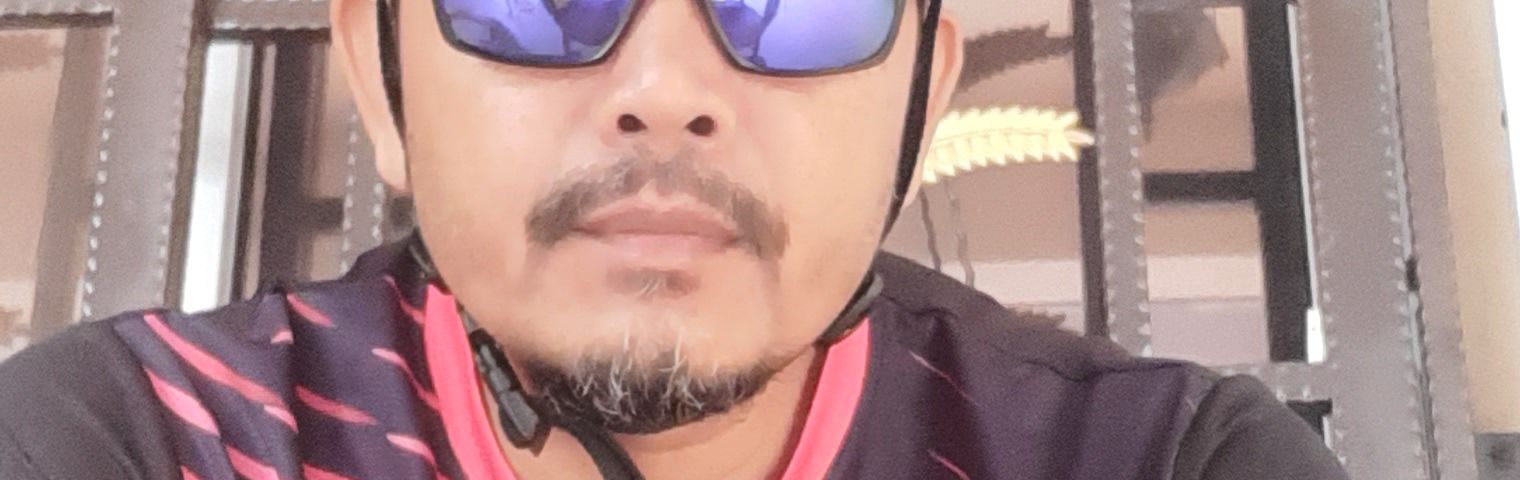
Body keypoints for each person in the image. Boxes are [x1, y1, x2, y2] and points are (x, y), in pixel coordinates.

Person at [0, 0, 1349, 478]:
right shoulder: (141, 441)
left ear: (920, 106)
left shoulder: (1159, 463)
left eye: (795, 2)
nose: (664, 88)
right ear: (380, 77)